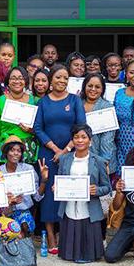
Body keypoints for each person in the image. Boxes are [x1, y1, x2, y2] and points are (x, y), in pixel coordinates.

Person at [34, 64, 86, 254]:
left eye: (65, 78)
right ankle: (50, 235)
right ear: (51, 80)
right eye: (58, 77)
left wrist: (66, 150)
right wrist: (55, 148)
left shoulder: (74, 101)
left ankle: (66, 233)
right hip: (48, 155)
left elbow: (81, 127)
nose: (62, 81)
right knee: (48, 193)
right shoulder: (43, 102)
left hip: (72, 154)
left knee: (67, 191)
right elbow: (38, 128)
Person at [56, 124, 110, 263]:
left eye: (83, 137)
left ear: (90, 141)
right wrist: (57, 187)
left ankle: (88, 254)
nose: (80, 140)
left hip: (89, 207)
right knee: (71, 223)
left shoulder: (98, 161)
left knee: (86, 227)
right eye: (76, 137)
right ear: (72, 141)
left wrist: (96, 190)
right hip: (69, 205)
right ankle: (70, 254)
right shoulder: (64, 159)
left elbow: (107, 187)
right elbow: (61, 180)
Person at [0, 136, 49, 237]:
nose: (16, 153)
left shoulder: (28, 169)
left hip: (23, 211)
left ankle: (23, 248)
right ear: (6, 152)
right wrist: (9, 201)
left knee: (24, 225)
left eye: (19, 151)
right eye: (12, 150)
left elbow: (37, 197)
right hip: (5, 212)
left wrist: (44, 180)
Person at [0, 66, 40, 164]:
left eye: (20, 78)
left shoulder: (35, 101)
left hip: (28, 152)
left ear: (26, 81)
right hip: (6, 152)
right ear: (8, 81)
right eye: (13, 78)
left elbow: (43, 128)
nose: (17, 81)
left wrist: (31, 130)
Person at [80, 73, 117, 174]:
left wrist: (104, 162)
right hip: (80, 156)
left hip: (102, 157)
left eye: (97, 87)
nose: (93, 89)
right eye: (90, 86)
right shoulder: (78, 103)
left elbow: (108, 139)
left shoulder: (107, 107)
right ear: (84, 86)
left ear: (102, 89)